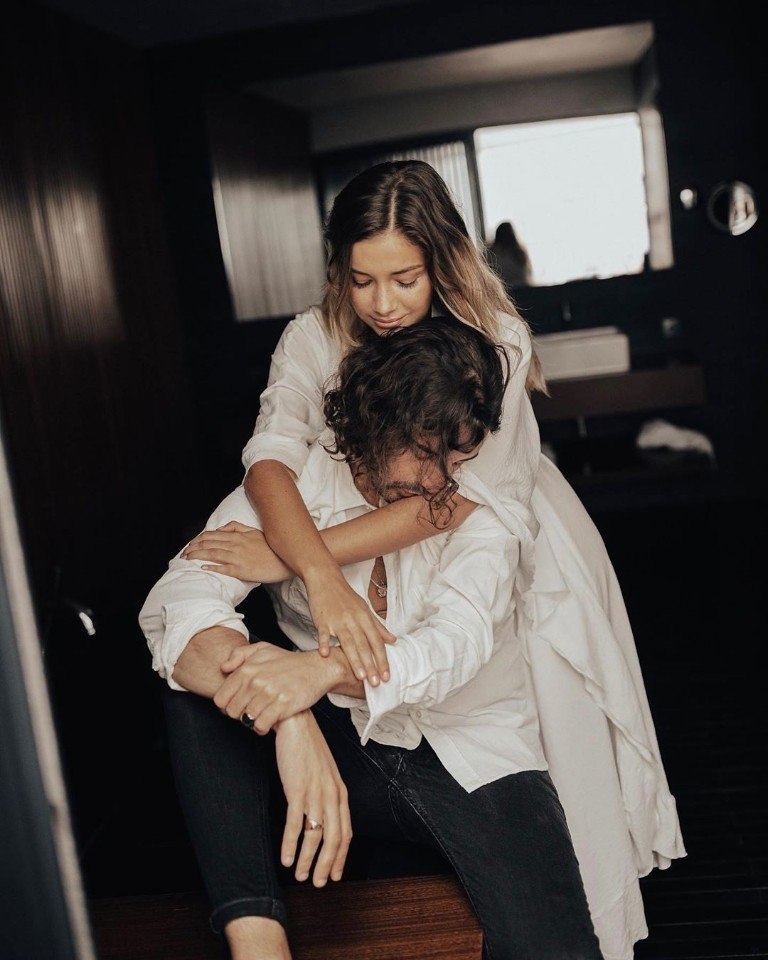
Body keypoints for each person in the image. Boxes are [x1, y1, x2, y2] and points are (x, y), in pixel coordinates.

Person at [179, 160, 685, 958]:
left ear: (441, 262)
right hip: (357, 553)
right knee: (208, 689)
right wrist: (317, 586)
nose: (382, 305)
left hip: (491, 533)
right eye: (362, 281)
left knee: (539, 752)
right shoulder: (315, 341)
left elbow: (444, 503)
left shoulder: (495, 344)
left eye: (405, 280)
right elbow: (269, 457)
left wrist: (290, 560)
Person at [140, 317, 604, 960]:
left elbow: (457, 642)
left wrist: (321, 673)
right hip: (343, 740)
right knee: (195, 693)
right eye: (424, 452)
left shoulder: (476, 505)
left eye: (457, 456)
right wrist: (291, 714)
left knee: (557, 949)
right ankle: (257, 940)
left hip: (469, 743)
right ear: (370, 428)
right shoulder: (298, 485)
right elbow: (177, 601)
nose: (441, 480)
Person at [487, 221, 533, 290]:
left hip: (500, 290)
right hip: (522, 290)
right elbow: (526, 274)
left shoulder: (491, 253)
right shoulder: (519, 253)